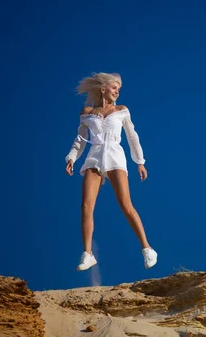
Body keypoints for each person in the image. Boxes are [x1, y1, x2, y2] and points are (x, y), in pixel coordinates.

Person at [65, 72, 157, 271]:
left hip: (115, 156)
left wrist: (139, 162)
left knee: (126, 205)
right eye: (114, 87)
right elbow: (80, 140)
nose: (117, 91)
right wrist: (72, 157)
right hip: (94, 156)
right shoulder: (87, 112)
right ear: (103, 89)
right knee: (86, 207)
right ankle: (87, 254)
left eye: (119, 89)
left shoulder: (121, 110)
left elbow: (132, 137)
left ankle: (147, 248)